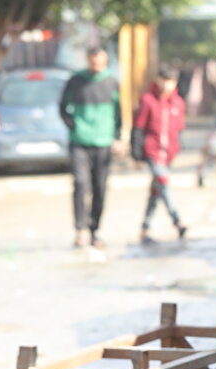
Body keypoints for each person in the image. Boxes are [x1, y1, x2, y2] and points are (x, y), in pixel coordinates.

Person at [59, 46, 122, 248]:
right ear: (88, 60)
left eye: (100, 63)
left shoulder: (112, 82)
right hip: (79, 142)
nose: (96, 66)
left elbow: (119, 113)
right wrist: (73, 125)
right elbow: (62, 107)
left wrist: (117, 137)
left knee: (100, 187)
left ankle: (95, 230)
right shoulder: (76, 81)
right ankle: (79, 229)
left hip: (103, 143)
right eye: (93, 62)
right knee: (80, 183)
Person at [131, 65, 186, 244]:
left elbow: (178, 129)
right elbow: (138, 127)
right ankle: (177, 221)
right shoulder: (147, 100)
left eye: (170, 82)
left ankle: (145, 228)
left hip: (168, 153)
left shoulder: (178, 103)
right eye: (164, 80)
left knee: (156, 191)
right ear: (157, 80)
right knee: (163, 182)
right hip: (152, 151)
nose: (166, 85)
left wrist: (177, 150)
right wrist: (136, 155)